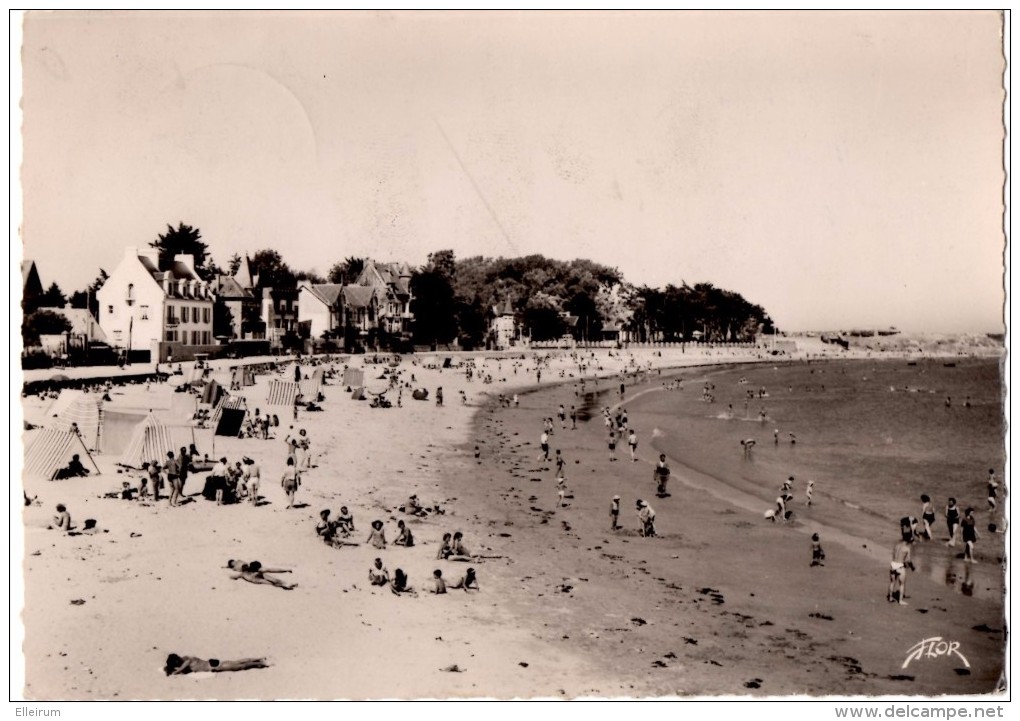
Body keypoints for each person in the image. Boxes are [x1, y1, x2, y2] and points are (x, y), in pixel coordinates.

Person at [164, 654, 269, 676]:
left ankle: (260, 662)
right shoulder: (186, 658)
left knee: (240, 666)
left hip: (215, 666)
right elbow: (181, 668)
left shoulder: (187, 661)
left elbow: (179, 670)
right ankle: (259, 659)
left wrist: (173, 671)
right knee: (237, 663)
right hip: (213, 663)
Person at [229, 561, 297, 590]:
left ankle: (285, 584)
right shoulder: (242, 573)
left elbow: (233, 577)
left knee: (271, 579)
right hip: (255, 579)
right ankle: (285, 585)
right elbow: (272, 570)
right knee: (271, 580)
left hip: (254, 578)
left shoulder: (243, 572)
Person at [888, 534, 915, 605]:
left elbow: (894, 555)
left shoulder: (896, 545)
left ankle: (890, 597)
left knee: (892, 582)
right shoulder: (907, 548)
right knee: (901, 584)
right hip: (900, 566)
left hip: (893, 565)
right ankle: (900, 600)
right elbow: (908, 560)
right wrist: (912, 567)